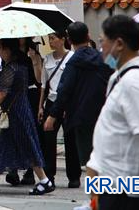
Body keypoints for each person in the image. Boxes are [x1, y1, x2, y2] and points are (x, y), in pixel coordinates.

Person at [85, 15, 139, 210]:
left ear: (119, 44)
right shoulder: (121, 76)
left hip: (127, 192)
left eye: (102, 41)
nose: (101, 48)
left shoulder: (135, 82)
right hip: (114, 185)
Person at [0, 39, 54, 195]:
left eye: (0, 49)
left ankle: (44, 180)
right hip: (18, 111)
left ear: (7, 49)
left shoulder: (11, 68)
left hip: (16, 114)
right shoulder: (21, 65)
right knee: (3, 146)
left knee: (28, 145)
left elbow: (2, 94)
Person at [44, 21, 111, 171]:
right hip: (103, 114)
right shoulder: (103, 58)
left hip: (81, 116)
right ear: (88, 36)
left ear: (68, 40)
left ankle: (96, 186)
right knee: (103, 157)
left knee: (90, 161)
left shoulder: (73, 63)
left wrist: (52, 115)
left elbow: (64, 91)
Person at [37, 31, 80, 188]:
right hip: (51, 102)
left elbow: (76, 84)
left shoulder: (72, 58)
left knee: (70, 140)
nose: (50, 42)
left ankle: (74, 176)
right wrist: (40, 106)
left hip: (68, 103)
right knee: (48, 139)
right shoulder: (47, 59)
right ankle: (49, 175)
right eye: (49, 39)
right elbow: (43, 85)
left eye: (53, 38)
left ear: (63, 40)